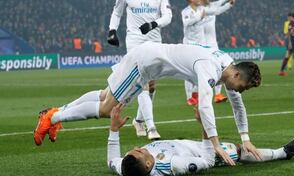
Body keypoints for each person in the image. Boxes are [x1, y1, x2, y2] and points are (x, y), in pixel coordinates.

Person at [34, 42, 262, 165]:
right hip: (144, 65)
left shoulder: (227, 63)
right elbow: (204, 105)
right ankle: (51, 119)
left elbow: (237, 104)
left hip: (147, 56)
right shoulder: (209, 68)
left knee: (105, 95)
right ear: (237, 77)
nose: (242, 91)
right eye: (244, 87)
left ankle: (56, 113)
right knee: (107, 109)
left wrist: (245, 138)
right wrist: (215, 144)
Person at [107, 103, 294, 176]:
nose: (135, 148)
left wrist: (114, 130)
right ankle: (283, 153)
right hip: (199, 151)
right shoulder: (174, 165)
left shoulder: (126, 167)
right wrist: (205, 128)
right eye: (139, 152)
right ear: (149, 164)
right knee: (238, 149)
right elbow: (208, 162)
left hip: (183, 145)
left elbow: (111, 162)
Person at [107, 0, 173, 140]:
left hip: (154, 39)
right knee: (142, 82)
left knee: (151, 85)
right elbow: (117, 12)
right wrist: (112, 30)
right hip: (134, 40)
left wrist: (154, 24)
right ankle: (151, 127)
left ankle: (139, 120)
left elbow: (168, 16)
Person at [181, 0, 238, 106]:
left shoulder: (202, 9)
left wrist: (229, 5)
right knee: (188, 71)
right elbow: (186, 23)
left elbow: (216, 11)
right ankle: (189, 97)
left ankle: (200, 94)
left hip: (201, 46)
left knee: (202, 69)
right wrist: (199, 17)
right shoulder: (186, 11)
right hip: (189, 45)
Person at [198, 0, 245, 103]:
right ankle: (197, 94)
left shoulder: (212, 5)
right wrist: (230, 4)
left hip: (213, 44)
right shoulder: (199, 10)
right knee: (205, 70)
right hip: (202, 45)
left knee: (219, 67)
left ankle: (218, 94)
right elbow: (218, 11)